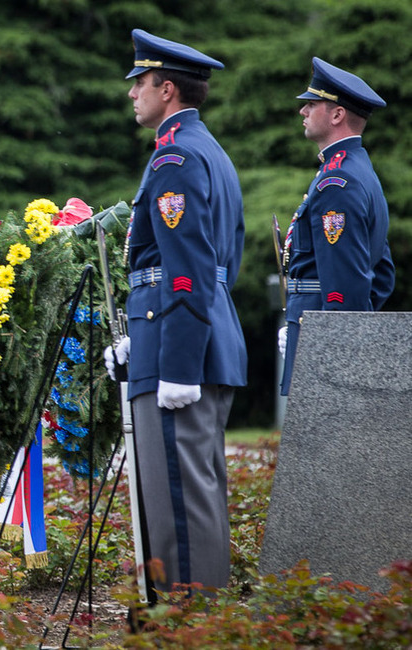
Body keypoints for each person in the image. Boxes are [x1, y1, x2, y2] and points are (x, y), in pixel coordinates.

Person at [104, 29, 247, 598]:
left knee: (180, 509)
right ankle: (201, 622)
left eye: (139, 84)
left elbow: (186, 269)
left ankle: (190, 625)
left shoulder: (176, 156)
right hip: (188, 338)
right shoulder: (205, 149)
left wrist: (177, 362)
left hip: (181, 350)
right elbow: (213, 267)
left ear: (167, 89)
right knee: (195, 496)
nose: (132, 94)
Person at [278, 58, 394, 395]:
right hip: (319, 330)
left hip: (325, 346)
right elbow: (381, 274)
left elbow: (345, 279)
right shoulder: (359, 172)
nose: (303, 112)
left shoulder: (337, 181)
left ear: (337, 115)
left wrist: (332, 346)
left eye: (311, 104)